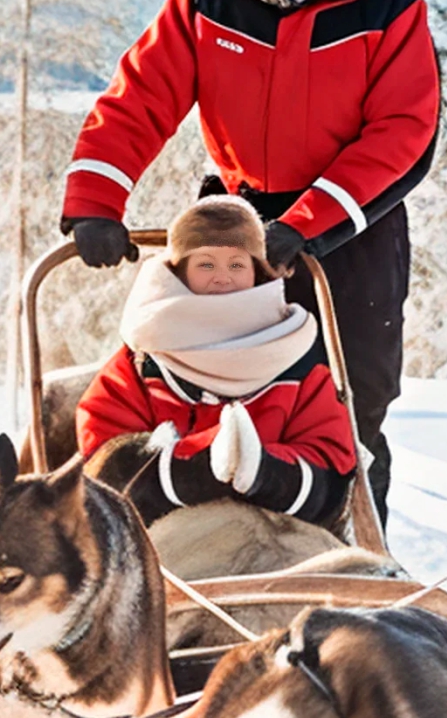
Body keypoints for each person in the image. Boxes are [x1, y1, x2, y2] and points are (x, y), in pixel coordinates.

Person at [59, 0, 438, 525]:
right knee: (200, 388)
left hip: (349, 234)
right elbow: (140, 96)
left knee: (347, 410)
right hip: (234, 229)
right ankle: (196, 556)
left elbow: (404, 135)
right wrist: (95, 200)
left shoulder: (386, 5)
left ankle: (352, 569)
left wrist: (308, 225)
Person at [76, 197, 357, 528]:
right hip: (160, 539)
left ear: (258, 273)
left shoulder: (296, 357)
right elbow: (104, 459)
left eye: (236, 265)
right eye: (206, 265)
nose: (222, 278)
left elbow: (331, 461)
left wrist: (267, 473)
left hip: (279, 534)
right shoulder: (144, 358)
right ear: (179, 273)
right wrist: (194, 469)